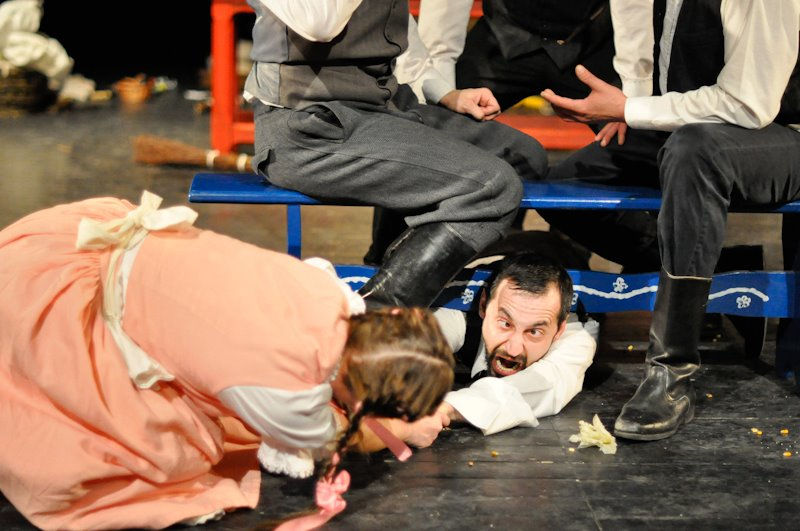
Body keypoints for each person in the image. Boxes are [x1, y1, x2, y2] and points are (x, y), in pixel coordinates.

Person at [0, 192, 455, 530]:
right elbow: (333, 435)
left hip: (90, 243)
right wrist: (401, 430)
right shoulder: (283, 387)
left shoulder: (325, 293)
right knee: (160, 457)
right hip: (69, 301)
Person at [539, 0, 800, 441]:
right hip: (696, 129)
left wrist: (631, 110)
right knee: (566, 186)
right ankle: (721, 270)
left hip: (782, 136)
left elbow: (749, 104)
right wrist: (635, 106)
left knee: (694, 152)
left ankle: (670, 374)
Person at [244, 0, 548, 308]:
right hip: (308, 126)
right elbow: (320, 24)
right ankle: (372, 318)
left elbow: (396, 31)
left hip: (381, 107)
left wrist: (445, 93)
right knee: (491, 186)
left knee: (523, 156)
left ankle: (397, 271)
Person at [433, 253, 599, 435]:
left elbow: (547, 385)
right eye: (505, 324)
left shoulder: (579, 331)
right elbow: (417, 350)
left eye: (534, 332)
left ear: (559, 330)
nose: (513, 350)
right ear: (483, 305)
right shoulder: (455, 308)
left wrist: (447, 409)